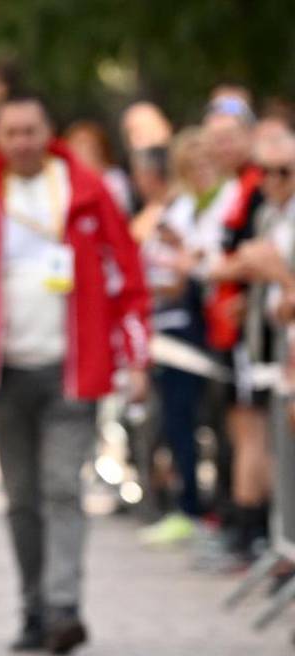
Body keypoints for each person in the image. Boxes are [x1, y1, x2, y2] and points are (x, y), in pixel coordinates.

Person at [0, 92, 150, 656]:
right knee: (22, 498)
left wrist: (135, 356)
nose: (23, 142)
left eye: (32, 130)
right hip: (6, 373)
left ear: (48, 131)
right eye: (11, 133)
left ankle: (64, 606)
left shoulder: (87, 193)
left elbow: (126, 278)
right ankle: (34, 610)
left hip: (72, 370)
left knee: (60, 488)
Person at [206, 123, 295, 569]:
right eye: (266, 172)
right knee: (266, 443)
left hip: (285, 352)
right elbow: (234, 266)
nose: (274, 182)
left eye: (285, 172)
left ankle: (265, 539)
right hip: (265, 347)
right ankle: (261, 538)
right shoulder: (267, 215)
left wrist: (277, 275)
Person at [136, 130, 217, 547]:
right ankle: (185, 504)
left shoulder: (194, 209)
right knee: (174, 419)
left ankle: (193, 508)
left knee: (184, 420)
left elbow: (185, 269)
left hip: (189, 327)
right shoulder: (179, 207)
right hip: (169, 327)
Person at [64, 120, 134, 216]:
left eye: (90, 146)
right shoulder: (62, 181)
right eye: (78, 146)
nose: (84, 151)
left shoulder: (114, 178)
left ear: (101, 149)